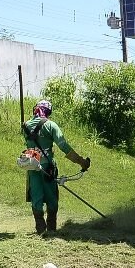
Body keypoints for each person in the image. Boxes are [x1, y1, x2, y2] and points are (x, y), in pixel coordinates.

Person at [23, 99, 91, 234]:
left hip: (32, 166)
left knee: (36, 197)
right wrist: (81, 162)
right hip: (47, 167)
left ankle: (40, 230)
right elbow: (63, 145)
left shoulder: (25, 125)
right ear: (48, 112)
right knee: (51, 198)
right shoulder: (51, 125)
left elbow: (29, 144)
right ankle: (52, 230)